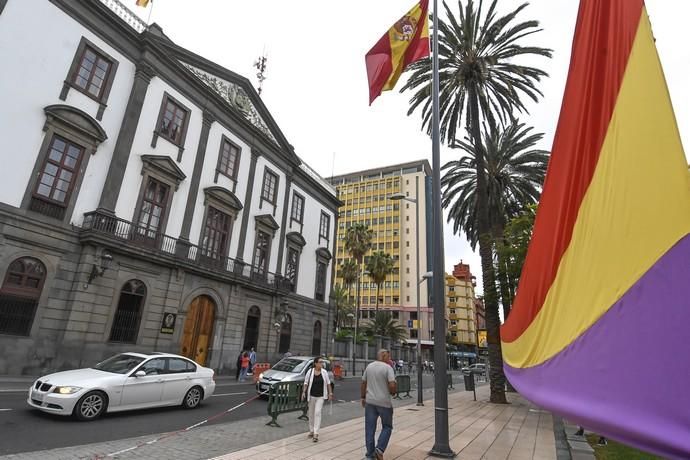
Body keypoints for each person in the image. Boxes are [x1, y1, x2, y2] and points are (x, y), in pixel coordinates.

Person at [361, 349, 397, 460]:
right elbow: (392, 385)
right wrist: (393, 391)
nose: (389, 358)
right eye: (388, 356)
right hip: (384, 403)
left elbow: (363, 383)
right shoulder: (388, 368)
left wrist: (363, 397)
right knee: (387, 426)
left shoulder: (369, 366)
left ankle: (370, 455)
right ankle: (379, 449)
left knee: (369, 428)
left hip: (370, 402)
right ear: (384, 355)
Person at [301, 356, 334, 442]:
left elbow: (328, 383)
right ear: (315, 363)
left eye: (322, 362)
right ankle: (311, 430)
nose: (321, 363)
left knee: (317, 412)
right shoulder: (310, 371)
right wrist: (303, 392)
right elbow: (306, 383)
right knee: (311, 414)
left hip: (320, 396)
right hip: (311, 396)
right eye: (320, 362)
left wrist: (330, 393)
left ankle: (316, 433)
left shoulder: (324, 372)